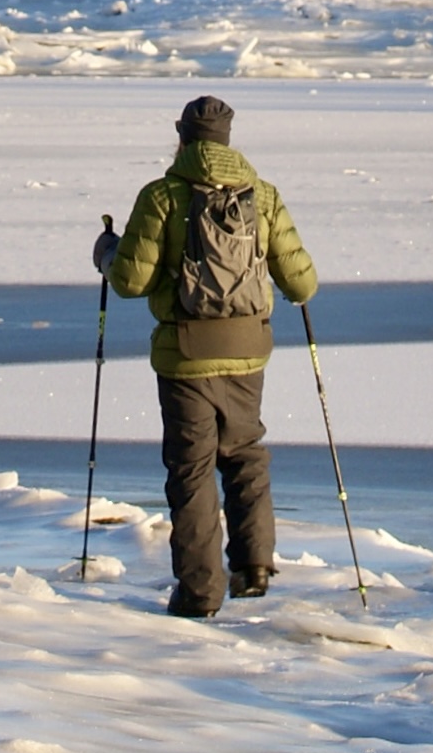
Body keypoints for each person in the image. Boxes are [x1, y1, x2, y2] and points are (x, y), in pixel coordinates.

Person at [93, 94, 318, 619]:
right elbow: (302, 281)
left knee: (192, 471)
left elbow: (130, 279)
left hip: (185, 354)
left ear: (183, 137)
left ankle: (199, 594)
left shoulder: (163, 196)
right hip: (247, 349)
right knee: (244, 453)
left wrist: (105, 251)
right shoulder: (262, 196)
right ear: (227, 139)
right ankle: (254, 568)